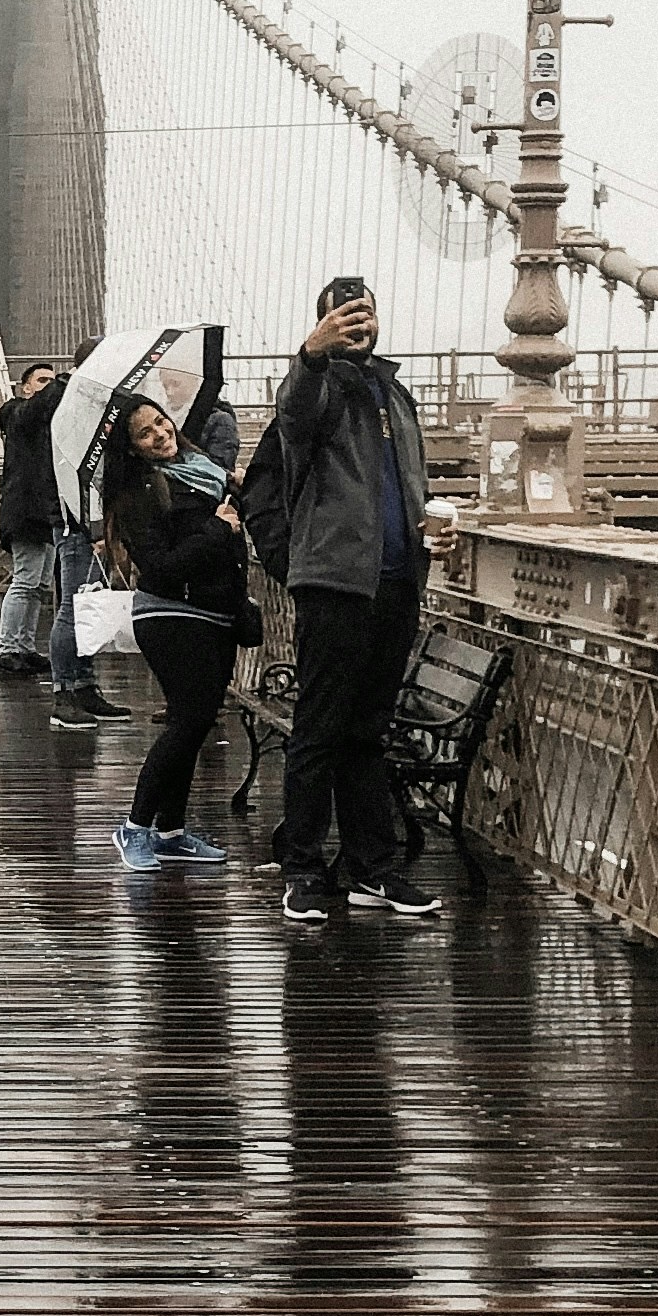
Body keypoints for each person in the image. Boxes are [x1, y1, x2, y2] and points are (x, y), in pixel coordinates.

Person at [267, 273, 454, 922]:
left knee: (367, 733)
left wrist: (428, 528)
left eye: (365, 312)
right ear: (323, 323)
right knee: (318, 731)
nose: (358, 322)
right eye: (343, 315)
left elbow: (406, 479)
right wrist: (311, 355)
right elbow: (294, 414)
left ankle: (371, 870)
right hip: (334, 582)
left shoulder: (394, 393)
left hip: (397, 581)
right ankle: (302, 869)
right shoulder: (319, 389)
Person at [100, 395, 247, 874]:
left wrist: (239, 491)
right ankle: (134, 827)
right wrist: (218, 530)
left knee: (195, 724)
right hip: (171, 614)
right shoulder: (138, 491)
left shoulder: (203, 471)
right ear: (132, 449)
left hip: (215, 612)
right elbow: (160, 567)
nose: (160, 435)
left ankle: (170, 832)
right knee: (188, 722)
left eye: (161, 423)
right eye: (145, 433)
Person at [48, 337, 132, 732]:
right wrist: (96, 527)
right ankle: (64, 693)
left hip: (94, 522)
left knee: (88, 604)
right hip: (80, 523)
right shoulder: (75, 407)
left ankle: (83, 686)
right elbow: (81, 473)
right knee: (74, 607)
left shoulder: (92, 405)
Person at [0, 360, 65, 677]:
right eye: (42, 380)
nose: (48, 386)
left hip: (46, 512)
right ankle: (7, 648)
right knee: (25, 581)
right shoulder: (16, 413)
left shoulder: (49, 421)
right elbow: (36, 409)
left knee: (39, 585)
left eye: (51, 380)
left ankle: (24, 646)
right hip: (26, 511)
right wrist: (66, 382)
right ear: (26, 388)